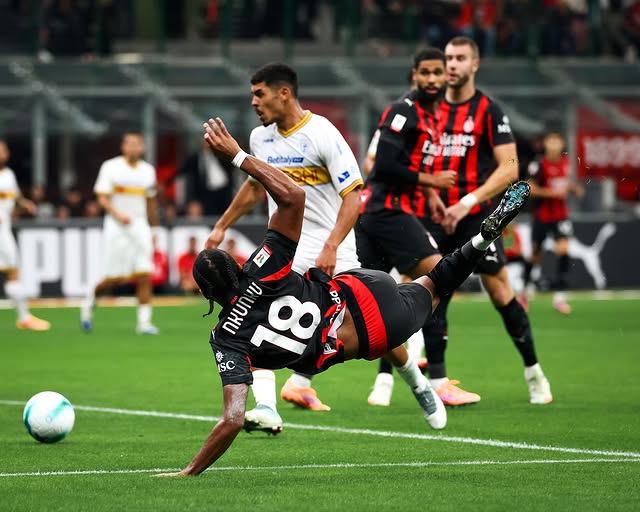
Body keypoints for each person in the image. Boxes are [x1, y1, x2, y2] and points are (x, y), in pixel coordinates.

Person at [153, 117, 532, 477]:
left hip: (368, 335)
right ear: (237, 265)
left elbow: (232, 419)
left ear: (205, 293)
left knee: (427, 294)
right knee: (434, 282)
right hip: (361, 286)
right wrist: (238, 156)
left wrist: (189, 470)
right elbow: (293, 196)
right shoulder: (261, 265)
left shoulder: (226, 338)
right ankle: (480, 240)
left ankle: (288, 398)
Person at [204, 63, 364, 433]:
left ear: (284, 93)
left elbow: (353, 196)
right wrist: (222, 226)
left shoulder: (322, 132)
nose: (253, 102)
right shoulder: (260, 138)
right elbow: (254, 187)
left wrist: (332, 246)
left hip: (332, 246)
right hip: (287, 248)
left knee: (366, 326)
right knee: (256, 316)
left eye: (259, 94)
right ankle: (268, 407)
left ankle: (420, 384)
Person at [421, 35, 552, 405]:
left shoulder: (489, 111)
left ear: (475, 64)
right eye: (448, 58)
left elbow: (510, 169)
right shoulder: (427, 108)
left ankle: (534, 372)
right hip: (434, 214)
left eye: (460, 58)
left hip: (477, 217)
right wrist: (431, 196)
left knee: (499, 291)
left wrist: (466, 203)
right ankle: (438, 383)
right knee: (431, 291)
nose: (452, 64)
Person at [355, 48, 457, 407]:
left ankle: (383, 381)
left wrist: (430, 194)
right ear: (414, 75)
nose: (431, 79)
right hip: (386, 211)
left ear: (445, 76)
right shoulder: (403, 111)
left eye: (437, 72)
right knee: (442, 276)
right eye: (425, 72)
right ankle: (438, 378)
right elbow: (382, 164)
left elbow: (406, 163)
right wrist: (432, 181)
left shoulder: (433, 116)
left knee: (376, 301)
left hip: (382, 212)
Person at [80, 133, 161, 335]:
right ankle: (88, 303)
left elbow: (151, 202)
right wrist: (117, 214)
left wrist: (154, 228)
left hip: (139, 226)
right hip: (116, 227)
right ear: (123, 147)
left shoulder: (148, 171)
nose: (133, 148)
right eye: (129, 144)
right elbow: (102, 197)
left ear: (142, 148)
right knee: (113, 279)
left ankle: (144, 323)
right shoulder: (111, 167)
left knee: (144, 273)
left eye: (137, 144)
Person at [523, 131, 583, 315]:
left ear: (562, 144)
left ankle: (560, 298)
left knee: (563, 250)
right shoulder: (538, 164)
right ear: (545, 144)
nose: (554, 144)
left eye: (557, 140)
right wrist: (552, 193)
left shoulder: (567, 163)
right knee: (535, 255)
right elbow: (530, 188)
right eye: (551, 140)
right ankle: (524, 293)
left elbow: (566, 184)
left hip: (560, 215)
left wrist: (574, 189)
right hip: (542, 216)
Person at [0, 140, 51, 331]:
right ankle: (24, 317)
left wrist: (25, 204)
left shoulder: (8, 175)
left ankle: (24, 318)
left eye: (4, 149)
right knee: (13, 271)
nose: (2, 153)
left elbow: (15, 198)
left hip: (3, 230)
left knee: (13, 271)